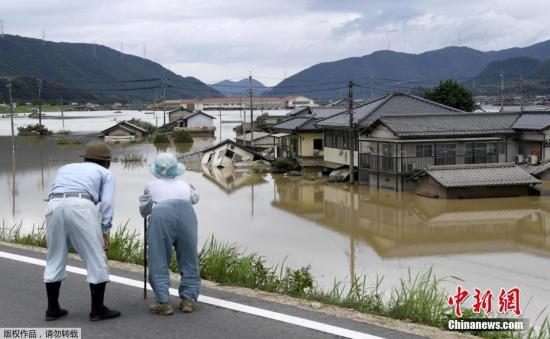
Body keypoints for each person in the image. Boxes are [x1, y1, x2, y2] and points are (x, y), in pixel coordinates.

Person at [44, 142, 121, 321]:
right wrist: (104, 230)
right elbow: (107, 203)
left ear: (85, 158)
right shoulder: (105, 173)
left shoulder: (65, 168)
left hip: (53, 205)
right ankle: (97, 310)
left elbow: (56, 189)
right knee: (96, 258)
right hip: (81, 206)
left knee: (55, 257)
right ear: (106, 162)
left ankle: (52, 309)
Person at [139, 153, 200, 315]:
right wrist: (192, 190)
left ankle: (163, 302)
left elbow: (144, 211)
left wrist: (143, 203)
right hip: (187, 213)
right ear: (176, 170)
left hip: (162, 214)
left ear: (156, 171)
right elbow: (195, 199)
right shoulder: (185, 185)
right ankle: (188, 300)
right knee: (189, 257)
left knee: (159, 258)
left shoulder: (150, 185)